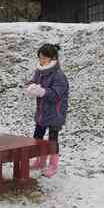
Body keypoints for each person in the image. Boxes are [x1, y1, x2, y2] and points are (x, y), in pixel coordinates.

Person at [25, 43, 69, 177]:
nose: (41, 60)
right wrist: (31, 87)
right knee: (37, 137)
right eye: (40, 58)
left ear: (52, 58)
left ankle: (53, 165)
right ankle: (40, 160)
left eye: (44, 58)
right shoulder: (40, 71)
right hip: (42, 111)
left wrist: (42, 91)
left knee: (52, 139)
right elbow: (33, 81)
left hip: (56, 112)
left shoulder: (58, 75)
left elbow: (57, 94)